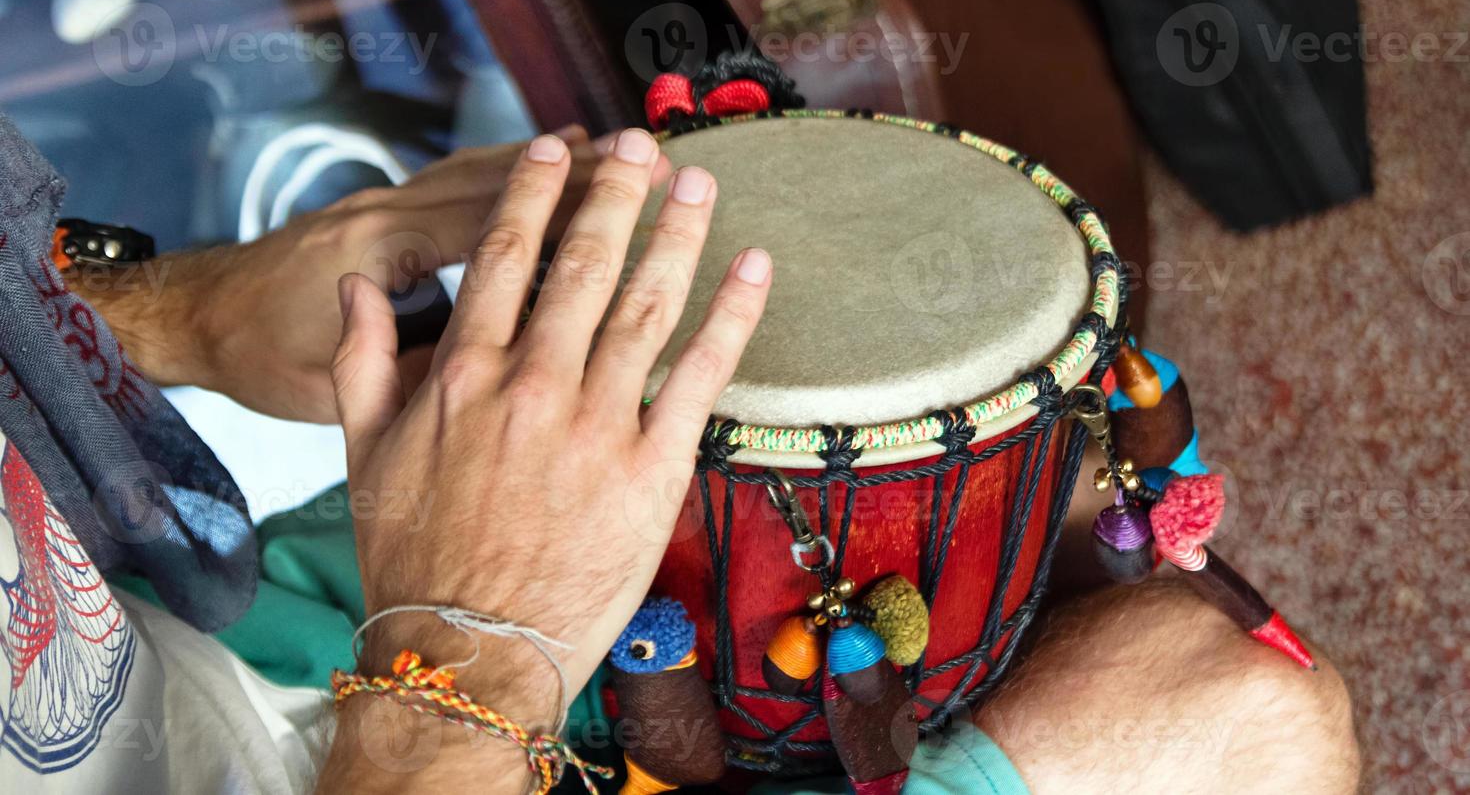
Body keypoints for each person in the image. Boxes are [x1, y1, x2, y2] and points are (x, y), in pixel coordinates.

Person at [0, 121, 1359, 793]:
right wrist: (466, 658)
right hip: (400, 731)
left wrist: (174, 316)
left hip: (242, 622)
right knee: (1246, 724)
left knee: (1186, 655)